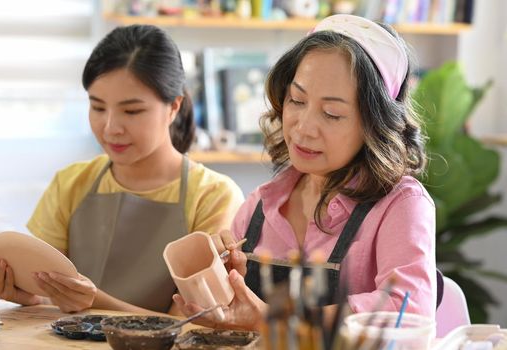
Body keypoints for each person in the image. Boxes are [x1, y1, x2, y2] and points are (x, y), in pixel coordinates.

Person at [174, 14, 436, 330]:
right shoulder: (259, 206)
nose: (303, 127)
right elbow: (238, 320)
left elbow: (408, 314)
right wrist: (221, 286)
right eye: (297, 100)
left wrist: (273, 320)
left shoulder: (400, 205)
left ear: (374, 123)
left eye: (332, 114)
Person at [0, 24, 244, 314]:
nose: (110, 128)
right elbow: (49, 296)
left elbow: (194, 323)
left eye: (131, 111)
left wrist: (95, 302)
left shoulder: (214, 195)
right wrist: (29, 295)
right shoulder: (71, 183)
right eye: (97, 107)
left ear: (173, 107)